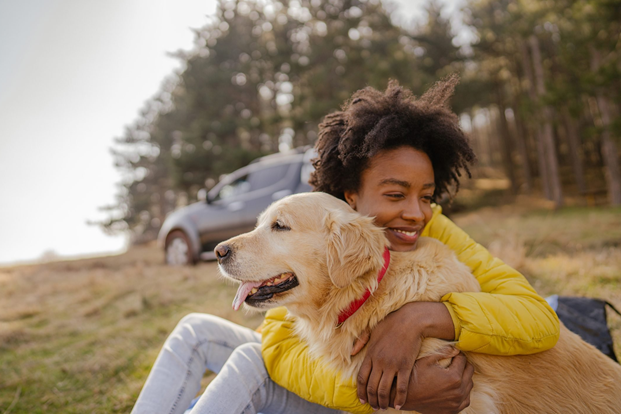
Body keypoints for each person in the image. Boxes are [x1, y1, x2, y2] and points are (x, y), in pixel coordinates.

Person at [132, 76, 560, 414]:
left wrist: (421, 318)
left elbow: (540, 321)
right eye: (395, 195)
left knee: (246, 363)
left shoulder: (434, 233)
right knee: (196, 330)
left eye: (426, 196)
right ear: (350, 197)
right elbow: (277, 347)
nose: (416, 213)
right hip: (353, 390)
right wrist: (389, 391)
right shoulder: (324, 231)